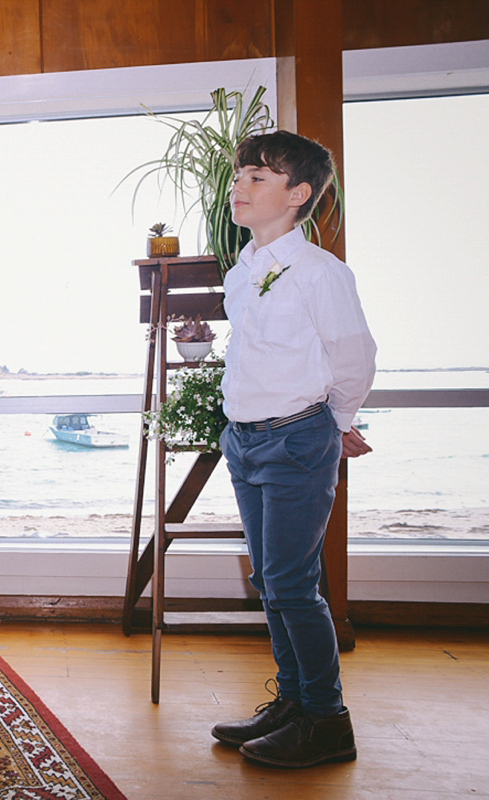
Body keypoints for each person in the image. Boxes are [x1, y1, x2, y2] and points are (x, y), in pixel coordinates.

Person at [210, 130, 376, 769]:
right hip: (246, 441)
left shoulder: (319, 272)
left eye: (258, 176)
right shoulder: (244, 272)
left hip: (296, 437)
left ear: (298, 194)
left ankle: (328, 721)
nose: (240, 185)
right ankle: (295, 702)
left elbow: (353, 357)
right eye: (240, 175)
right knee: (272, 581)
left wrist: (335, 423)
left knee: (290, 583)